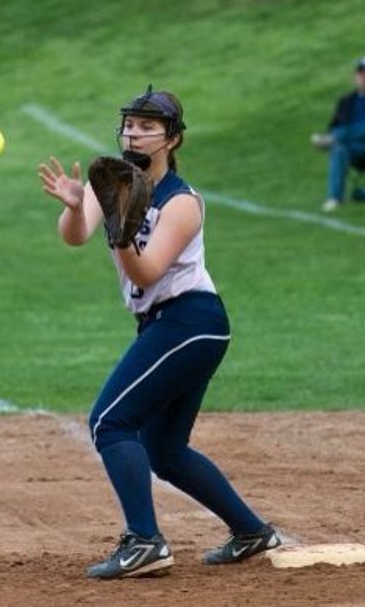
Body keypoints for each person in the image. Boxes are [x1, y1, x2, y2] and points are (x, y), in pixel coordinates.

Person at [38, 87, 280, 580]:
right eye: (130, 123)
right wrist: (71, 204)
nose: (135, 132)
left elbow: (147, 273)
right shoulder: (110, 182)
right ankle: (252, 532)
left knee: (110, 422)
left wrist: (122, 236)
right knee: (164, 451)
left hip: (192, 322)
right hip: (171, 326)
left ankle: (145, 541)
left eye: (148, 126)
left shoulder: (183, 202)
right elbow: (74, 235)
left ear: (171, 139)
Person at [312, 57, 365, 212]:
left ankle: (335, 139)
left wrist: (336, 136)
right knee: (338, 149)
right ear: (355, 77)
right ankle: (334, 198)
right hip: (353, 150)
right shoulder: (346, 101)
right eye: (362, 74)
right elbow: (334, 126)